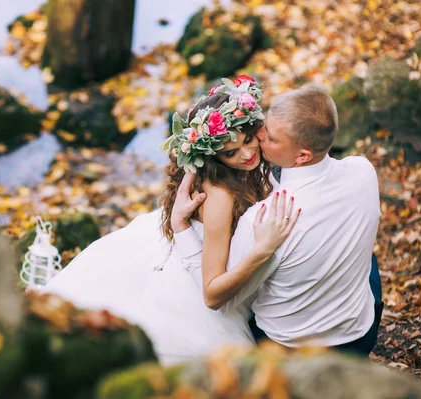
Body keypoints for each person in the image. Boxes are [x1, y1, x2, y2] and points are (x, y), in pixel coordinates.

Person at [42, 76, 298, 365]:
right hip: (196, 275)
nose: (248, 153)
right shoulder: (220, 198)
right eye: (231, 152)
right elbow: (211, 291)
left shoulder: (249, 168)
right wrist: (261, 250)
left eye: (249, 139)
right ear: (214, 157)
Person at [171, 87, 383, 355]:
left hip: (293, 349)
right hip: (362, 331)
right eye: (262, 126)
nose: (258, 136)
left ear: (303, 155)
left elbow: (217, 300)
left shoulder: (265, 220)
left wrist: (181, 226)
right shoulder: (363, 170)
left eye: (268, 137)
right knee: (369, 262)